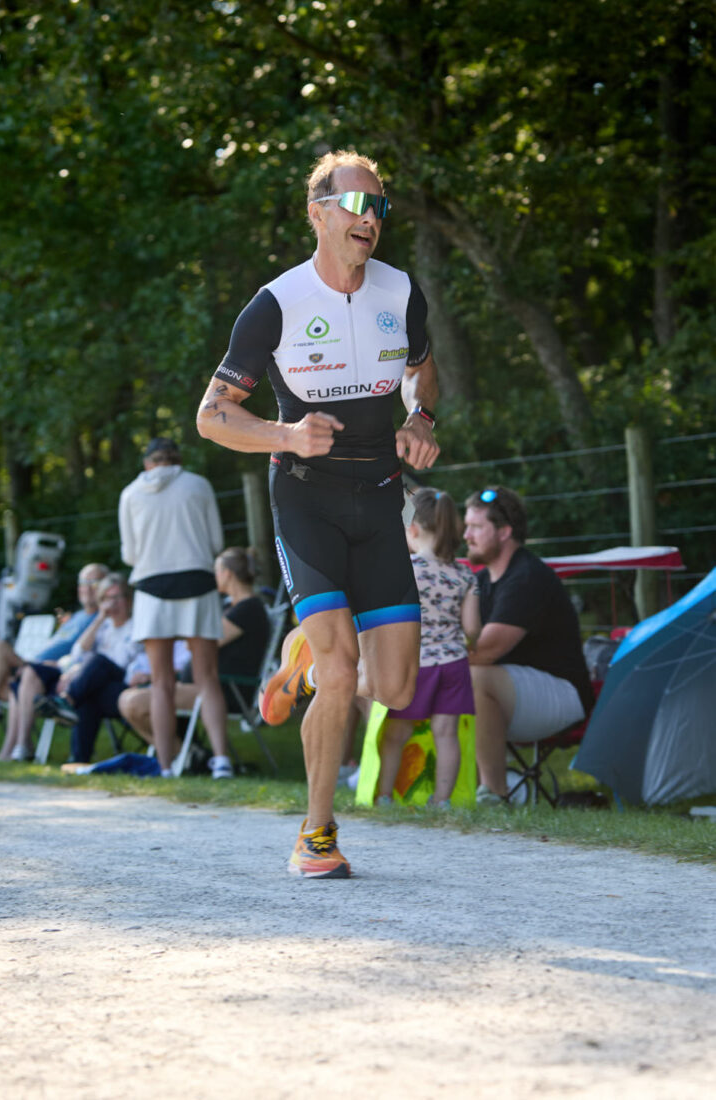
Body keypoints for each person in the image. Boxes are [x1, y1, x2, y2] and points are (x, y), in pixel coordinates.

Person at [197, 149, 440, 878]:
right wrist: (284, 435)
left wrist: (420, 417)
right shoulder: (277, 303)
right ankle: (317, 833)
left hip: (381, 499)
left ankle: (302, 661)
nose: (371, 219)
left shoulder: (401, 290)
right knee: (341, 672)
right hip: (306, 497)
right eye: (357, 205)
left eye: (380, 206)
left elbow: (421, 368)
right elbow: (212, 415)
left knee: (395, 689)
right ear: (318, 213)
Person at [463, 486, 595, 804]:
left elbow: (486, 650)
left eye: (476, 527)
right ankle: (438, 786)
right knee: (439, 676)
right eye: (467, 526)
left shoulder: (526, 577)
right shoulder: (481, 582)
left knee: (473, 676)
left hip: (563, 694)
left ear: (504, 532)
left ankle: (494, 793)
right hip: (516, 691)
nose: (466, 535)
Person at [118, 437, 232, 778]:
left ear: (147, 463)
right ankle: (222, 761)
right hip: (198, 583)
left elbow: (129, 555)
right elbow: (216, 542)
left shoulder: (130, 494)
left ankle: (166, 766)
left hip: (151, 590)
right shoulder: (198, 485)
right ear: (178, 459)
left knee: (161, 683)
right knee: (207, 678)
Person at [118, 548, 270, 777]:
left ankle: (187, 756)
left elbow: (201, 644)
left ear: (227, 574)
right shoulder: (230, 607)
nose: (213, 576)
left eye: (216, 570)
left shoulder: (249, 609)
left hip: (228, 691)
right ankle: (190, 755)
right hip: (202, 687)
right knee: (128, 699)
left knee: (133, 703)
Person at [375, 488, 476, 808]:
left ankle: (384, 796)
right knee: (446, 734)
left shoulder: (404, 569)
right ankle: (442, 801)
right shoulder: (464, 574)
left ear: (413, 529)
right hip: (454, 663)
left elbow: (388, 620)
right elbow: (473, 628)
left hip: (413, 664)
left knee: (395, 734)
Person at [0, 561, 109, 760]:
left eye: (93, 582)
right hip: (34, 664)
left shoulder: (102, 618)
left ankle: (20, 746)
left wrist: (61, 664)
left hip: (56, 672)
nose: (86, 587)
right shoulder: (75, 617)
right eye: (83, 582)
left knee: (20, 670)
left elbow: (88, 655)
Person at [45, 573, 142, 763]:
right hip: (102, 689)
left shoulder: (136, 627)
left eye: (117, 597)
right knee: (89, 697)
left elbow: (122, 661)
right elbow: (78, 653)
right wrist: (99, 619)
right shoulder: (103, 627)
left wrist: (82, 669)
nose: (112, 604)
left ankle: (67, 701)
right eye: (106, 599)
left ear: (128, 600)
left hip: (126, 686)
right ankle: (78, 760)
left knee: (98, 662)